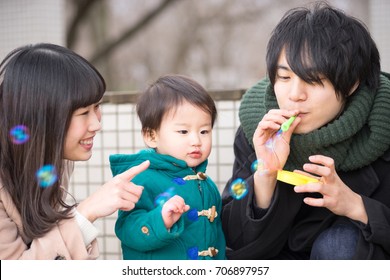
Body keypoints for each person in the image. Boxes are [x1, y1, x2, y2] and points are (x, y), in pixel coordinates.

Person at [222, 2, 390, 260]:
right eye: (285, 78)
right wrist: (264, 176)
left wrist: (356, 206)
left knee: (339, 243)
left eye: (313, 80)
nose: (294, 95)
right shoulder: (258, 128)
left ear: (351, 83)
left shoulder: (383, 125)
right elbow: (234, 248)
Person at [0, 43, 149, 260]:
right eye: (83, 112)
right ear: (43, 117)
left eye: (97, 107)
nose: (96, 124)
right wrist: (85, 214)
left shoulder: (47, 162)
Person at [110, 74, 226, 260]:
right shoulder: (140, 180)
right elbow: (127, 229)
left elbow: (217, 240)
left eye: (204, 131)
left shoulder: (207, 185)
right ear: (151, 136)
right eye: (183, 131)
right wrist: (160, 220)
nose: (196, 140)